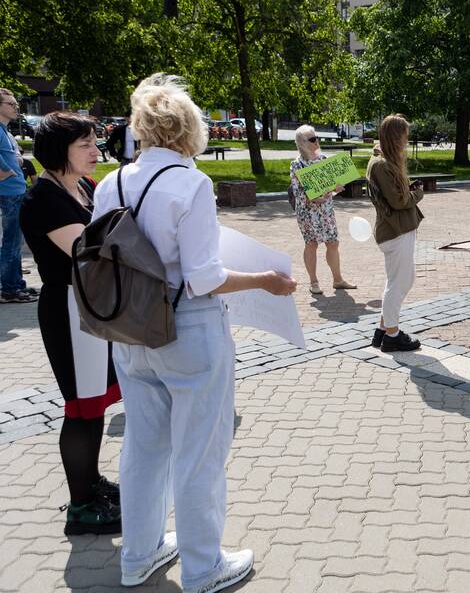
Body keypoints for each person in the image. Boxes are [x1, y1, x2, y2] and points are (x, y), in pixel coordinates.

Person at [94, 73, 296, 592]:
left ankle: (138, 555)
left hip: (128, 330)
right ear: (189, 131)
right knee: (199, 451)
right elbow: (206, 278)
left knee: (143, 447)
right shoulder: (191, 183)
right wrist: (268, 282)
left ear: (140, 128)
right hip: (188, 330)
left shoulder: (110, 183)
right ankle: (204, 566)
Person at [20, 113, 121, 535]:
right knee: (81, 409)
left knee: (94, 403)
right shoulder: (43, 197)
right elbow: (92, 251)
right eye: (86, 146)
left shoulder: (81, 186)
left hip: (92, 307)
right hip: (69, 310)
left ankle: (92, 481)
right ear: (58, 150)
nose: (96, 153)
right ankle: (81, 506)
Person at [367, 115, 424, 353]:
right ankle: (392, 334)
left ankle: (383, 330)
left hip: (397, 229)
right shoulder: (382, 164)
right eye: (404, 136)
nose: (406, 141)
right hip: (395, 231)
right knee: (400, 283)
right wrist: (417, 194)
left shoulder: (383, 161)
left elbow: (397, 196)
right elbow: (399, 201)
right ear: (394, 137)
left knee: (398, 281)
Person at [289, 125, 355, 296]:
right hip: (307, 210)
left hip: (325, 209)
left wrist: (336, 188)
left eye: (316, 137)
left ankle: (338, 280)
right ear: (302, 143)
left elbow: (330, 187)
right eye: (312, 139)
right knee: (311, 243)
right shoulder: (297, 165)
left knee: (333, 242)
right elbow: (298, 191)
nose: (316, 141)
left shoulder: (324, 159)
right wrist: (312, 198)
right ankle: (314, 281)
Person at [0, 87, 35, 304]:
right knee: (11, 243)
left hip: (16, 190)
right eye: (10, 104)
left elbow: (14, 155)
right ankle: (9, 289)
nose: (15, 107)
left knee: (16, 242)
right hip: (9, 191)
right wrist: (5, 171)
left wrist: (17, 163)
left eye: (16, 104)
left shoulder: (5, 131)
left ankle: (17, 284)